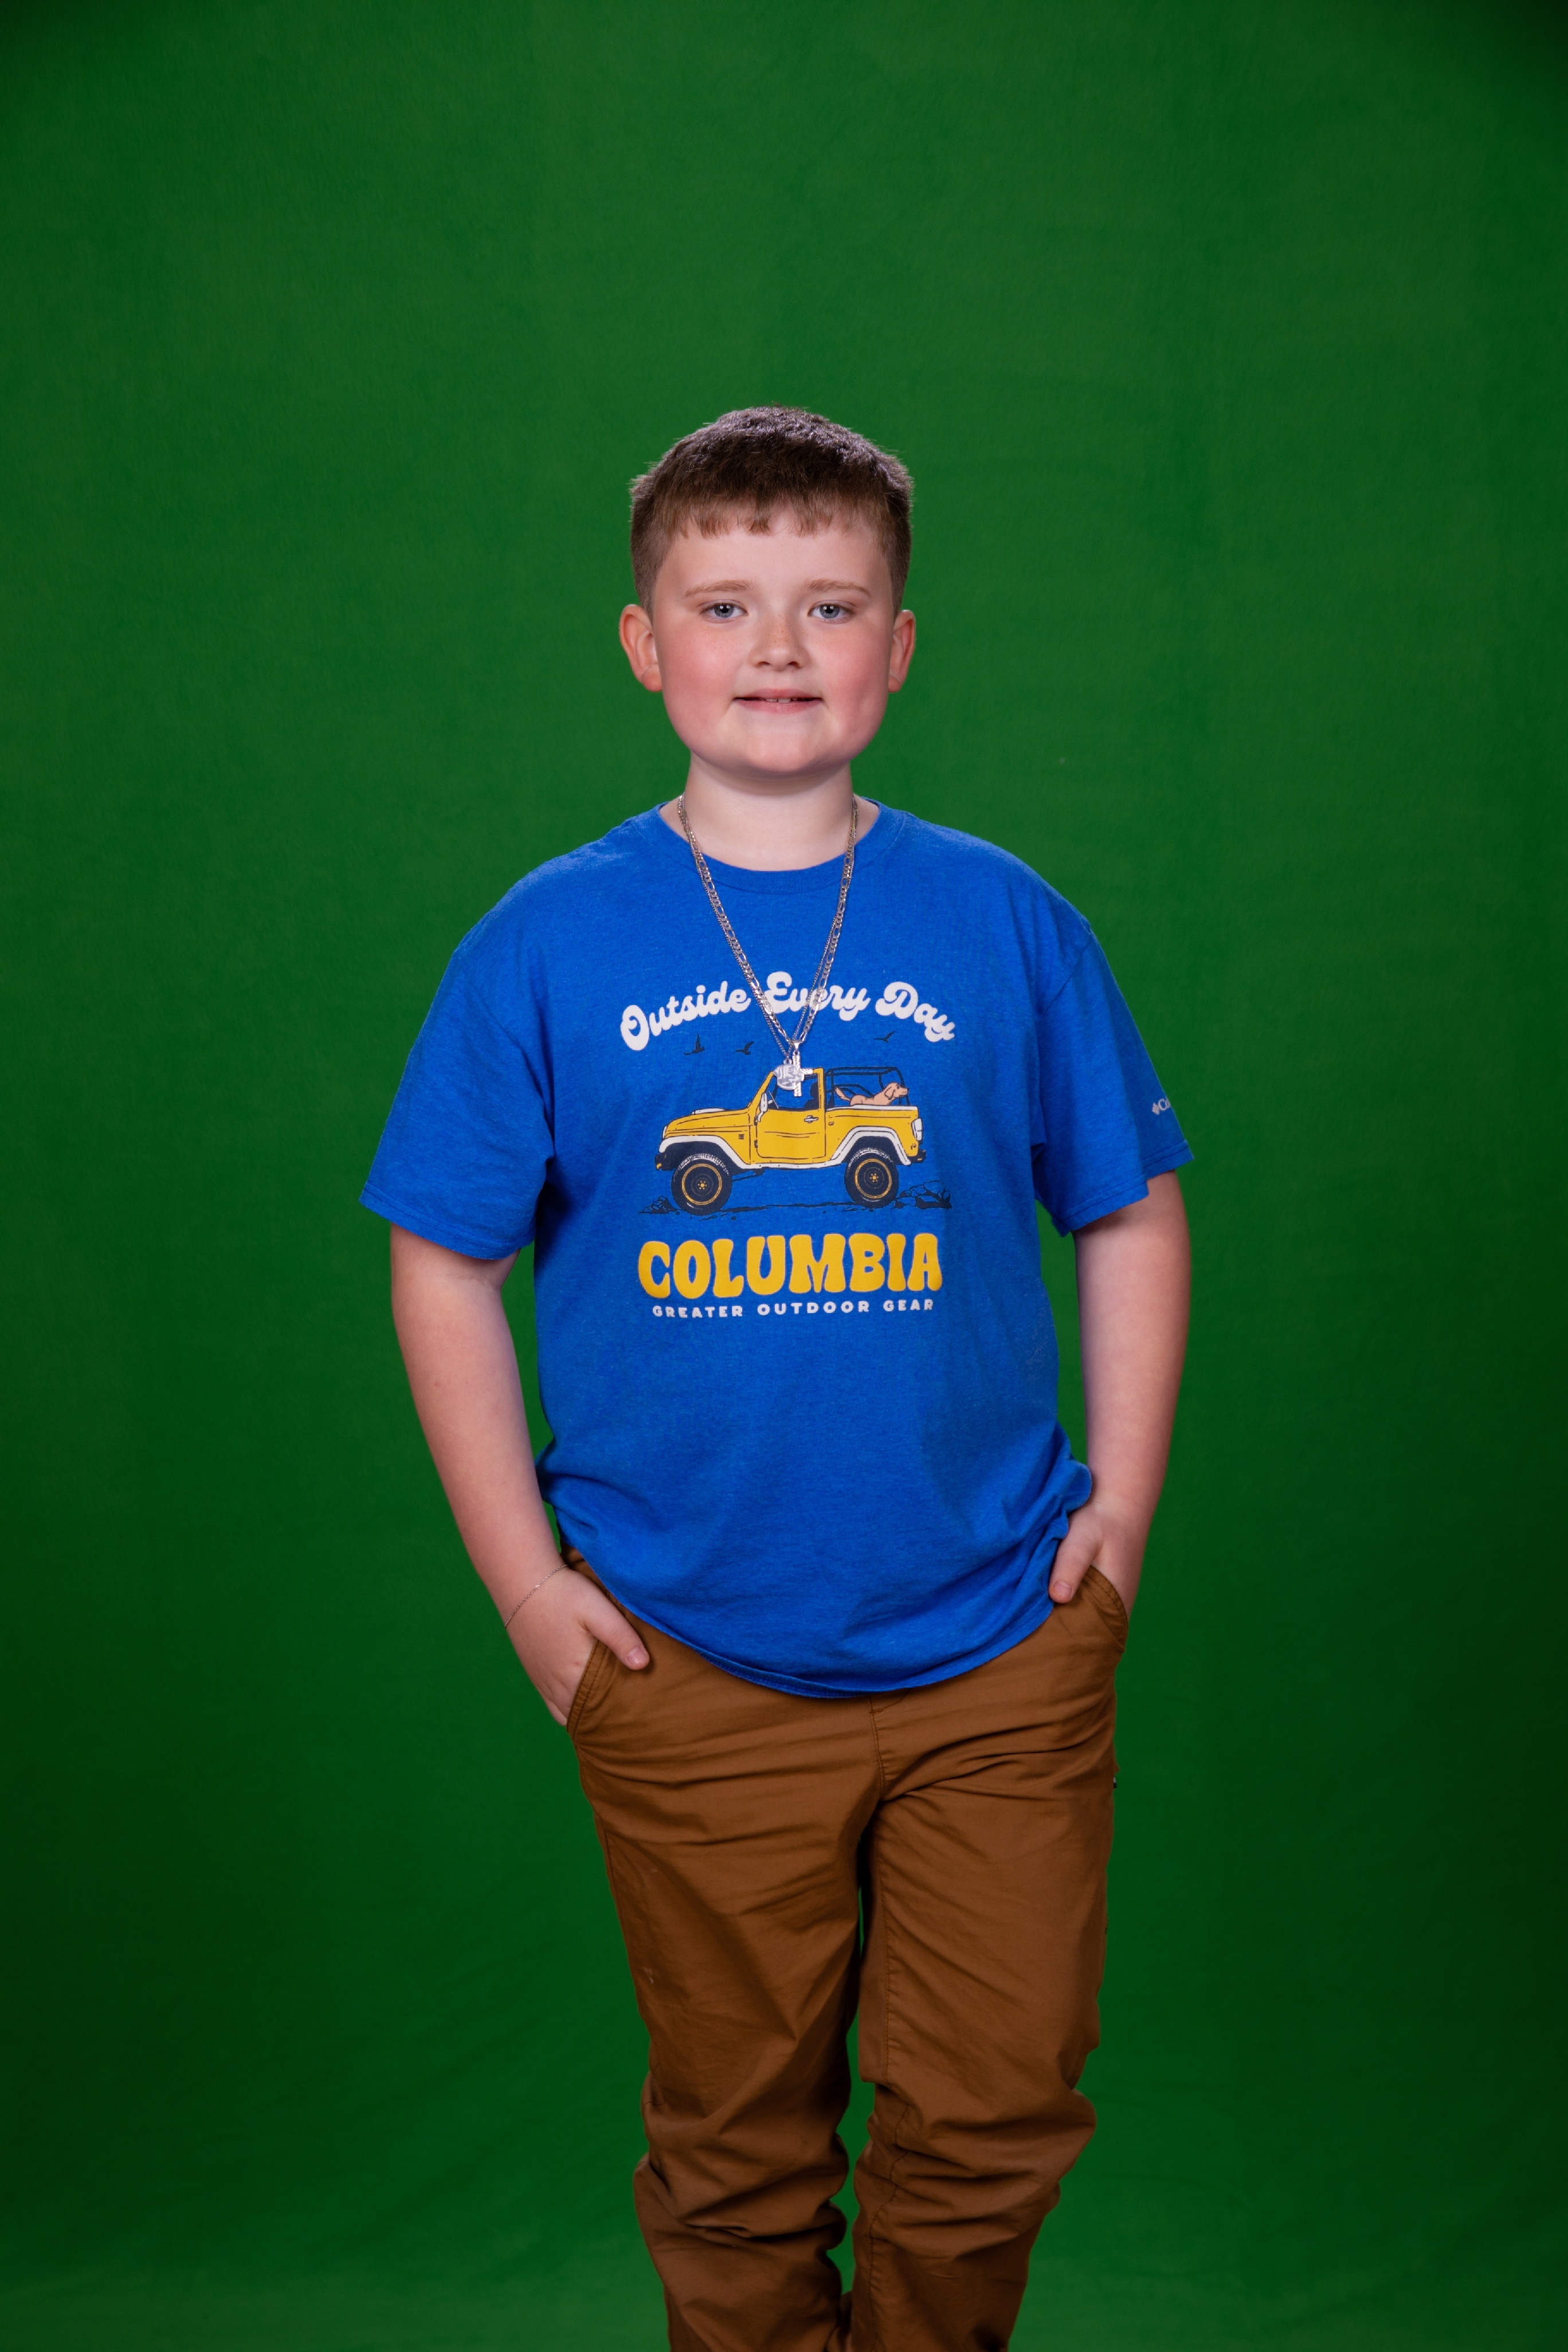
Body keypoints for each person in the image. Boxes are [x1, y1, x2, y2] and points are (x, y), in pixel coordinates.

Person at [362, 407, 1191, 2352]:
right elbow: (442, 1260)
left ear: (899, 646)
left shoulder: (1006, 920)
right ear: (645, 642)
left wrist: (1126, 1510)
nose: (779, 645)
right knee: (737, 2143)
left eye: (830, 603)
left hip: (1003, 1624)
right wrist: (529, 1587)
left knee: (995, 2106)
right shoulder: (546, 942)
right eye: (725, 603)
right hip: (684, 1645)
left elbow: (1129, 1208)